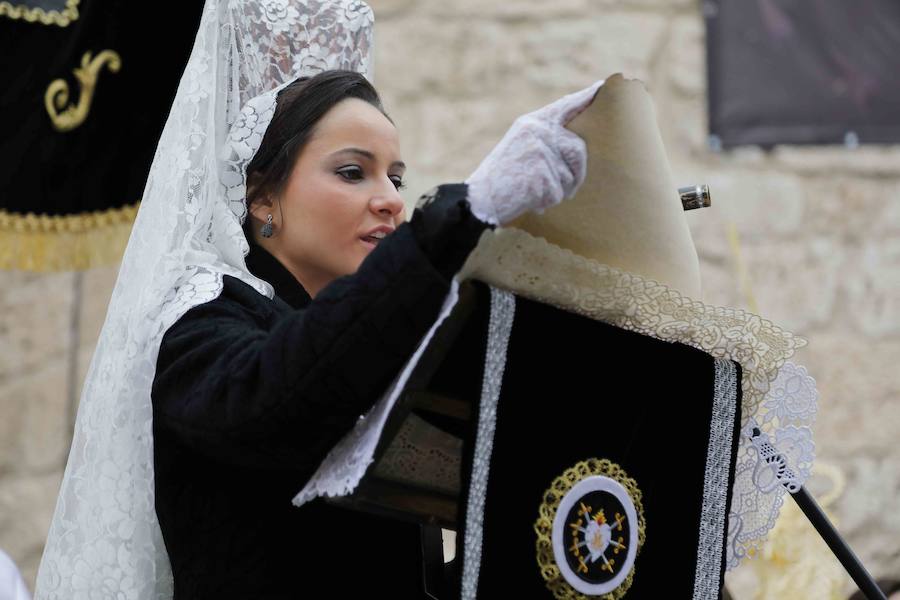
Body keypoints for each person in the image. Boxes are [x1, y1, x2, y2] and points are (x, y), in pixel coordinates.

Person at [34, 1, 599, 598]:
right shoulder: (198, 321)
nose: (391, 200)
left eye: (396, 178)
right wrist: (458, 218)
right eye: (353, 172)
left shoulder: (374, 343)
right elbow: (282, 393)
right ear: (261, 197)